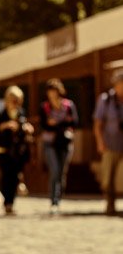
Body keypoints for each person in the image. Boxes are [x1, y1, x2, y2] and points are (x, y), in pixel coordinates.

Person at [39, 78, 79, 214]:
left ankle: (58, 198)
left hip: (65, 143)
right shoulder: (44, 107)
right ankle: (53, 201)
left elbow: (74, 123)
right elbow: (44, 125)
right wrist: (61, 123)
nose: (52, 94)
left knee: (61, 173)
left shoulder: (68, 105)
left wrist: (56, 123)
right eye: (50, 91)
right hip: (50, 143)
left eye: (54, 91)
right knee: (54, 171)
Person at [0, 85, 34, 215]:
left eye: (17, 100)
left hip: (17, 151)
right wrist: (5, 126)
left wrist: (28, 128)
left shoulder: (21, 113)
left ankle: (11, 202)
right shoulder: (0, 113)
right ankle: (7, 202)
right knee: (6, 176)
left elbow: (23, 129)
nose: (14, 102)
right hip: (4, 150)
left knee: (15, 176)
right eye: (12, 99)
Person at [93, 69, 123, 216]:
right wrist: (100, 142)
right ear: (115, 84)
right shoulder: (105, 100)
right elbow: (98, 124)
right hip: (110, 144)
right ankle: (110, 206)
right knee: (107, 178)